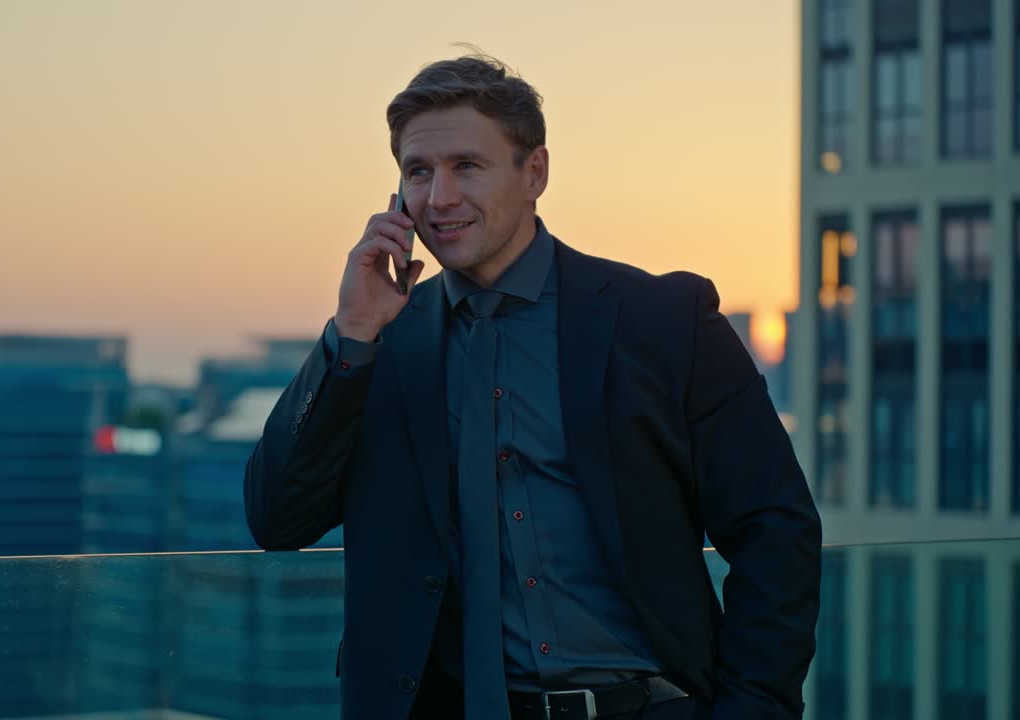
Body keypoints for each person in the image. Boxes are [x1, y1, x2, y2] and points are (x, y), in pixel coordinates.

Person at [245, 53, 821, 720]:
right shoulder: (381, 345)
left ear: (535, 172)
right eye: (418, 172)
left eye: (468, 166)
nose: (439, 199)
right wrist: (351, 334)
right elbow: (276, 519)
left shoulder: (665, 321)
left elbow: (775, 528)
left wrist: (752, 711)